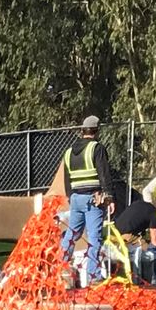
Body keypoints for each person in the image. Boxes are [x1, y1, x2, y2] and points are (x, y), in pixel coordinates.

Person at [58, 114, 117, 285]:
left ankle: (58, 267)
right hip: (92, 198)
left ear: (83, 130)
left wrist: (71, 197)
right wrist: (109, 196)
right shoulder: (96, 148)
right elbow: (104, 173)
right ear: (97, 131)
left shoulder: (69, 152)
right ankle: (93, 276)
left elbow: (67, 179)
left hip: (76, 198)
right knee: (94, 237)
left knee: (72, 234)